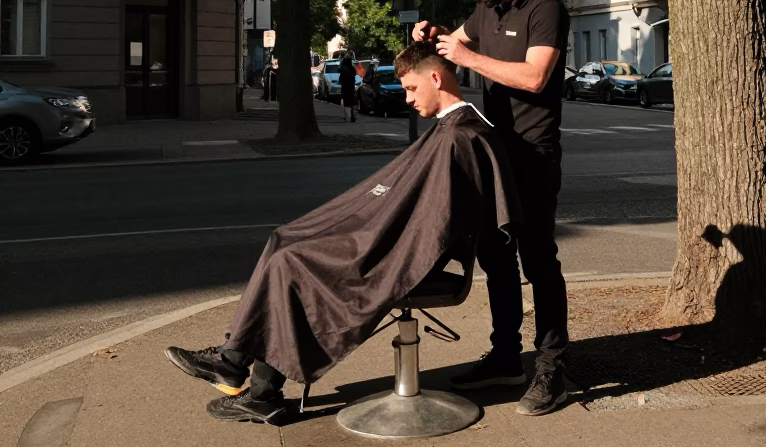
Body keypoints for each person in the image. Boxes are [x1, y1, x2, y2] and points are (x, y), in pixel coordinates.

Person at [164, 41, 521, 424]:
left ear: (436, 77)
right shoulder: (452, 132)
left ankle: (254, 385)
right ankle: (235, 364)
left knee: (291, 263)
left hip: (404, 257)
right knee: (283, 239)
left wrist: (358, 239)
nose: (407, 99)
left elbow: (427, 225)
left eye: (412, 89)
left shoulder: (459, 137)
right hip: (395, 243)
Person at [413, 0, 571, 417]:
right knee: (496, 259)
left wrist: (469, 58)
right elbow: (453, 44)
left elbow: (534, 78)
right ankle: (506, 356)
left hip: (534, 156)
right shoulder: (486, 10)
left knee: (538, 260)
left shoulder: (545, 8)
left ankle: (552, 368)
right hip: (495, 154)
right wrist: (432, 36)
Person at [339, 52, 357, 123]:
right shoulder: (352, 69)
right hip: (351, 87)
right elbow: (354, 75)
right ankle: (352, 116)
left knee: (346, 103)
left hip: (345, 88)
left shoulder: (343, 70)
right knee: (352, 102)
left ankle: (347, 117)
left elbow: (341, 80)